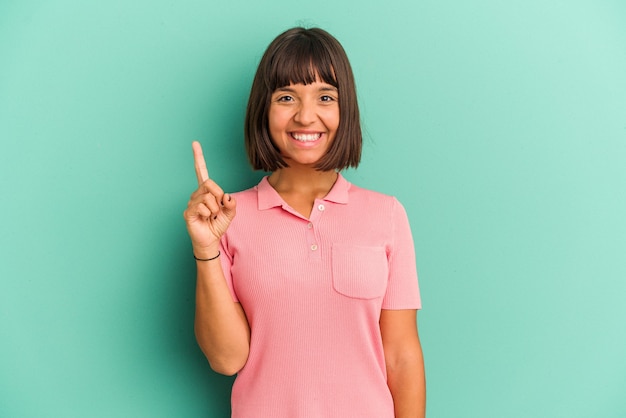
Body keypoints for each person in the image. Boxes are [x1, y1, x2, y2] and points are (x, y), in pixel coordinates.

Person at [183, 27, 425, 418]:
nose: (305, 115)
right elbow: (227, 359)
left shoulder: (387, 215)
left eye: (325, 97)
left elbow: (401, 356)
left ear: (345, 110)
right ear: (264, 109)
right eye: (286, 98)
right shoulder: (228, 219)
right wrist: (205, 249)